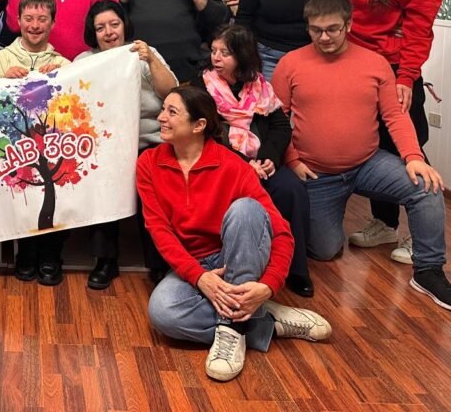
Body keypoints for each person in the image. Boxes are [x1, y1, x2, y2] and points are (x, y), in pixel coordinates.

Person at [272, 0, 451, 313]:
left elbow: (394, 115)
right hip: (317, 172)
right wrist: (291, 160)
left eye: (332, 29)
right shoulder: (290, 64)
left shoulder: (375, 63)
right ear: (307, 27)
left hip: (367, 164)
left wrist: (414, 158)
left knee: (427, 187)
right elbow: (275, 120)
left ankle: (429, 271)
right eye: (316, 30)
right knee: (325, 251)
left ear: (348, 25)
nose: (324, 37)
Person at [139, 86, 330, 383]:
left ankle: (233, 330)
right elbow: (159, 230)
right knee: (163, 314)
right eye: (163, 109)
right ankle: (264, 319)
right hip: (195, 265)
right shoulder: (148, 163)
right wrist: (200, 277)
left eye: (171, 112)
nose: (161, 117)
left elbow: (282, 233)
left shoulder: (233, 165)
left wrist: (268, 285)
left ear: (199, 125)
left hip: (237, 255)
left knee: (246, 210)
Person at [341, 0, 445, 265]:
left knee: (408, 147)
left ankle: (422, 236)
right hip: (355, 70)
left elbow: (418, 34)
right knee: (373, 146)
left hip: (396, 72)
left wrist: (406, 77)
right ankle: (384, 224)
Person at [198, 24, 313, 298]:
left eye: (225, 53)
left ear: (242, 55)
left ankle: (296, 269)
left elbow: (281, 127)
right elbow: (206, 136)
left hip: (261, 161)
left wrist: (269, 158)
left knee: (291, 190)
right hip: (224, 163)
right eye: (214, 51)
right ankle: (238, 267)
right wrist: (243, 164)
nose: (216, 58)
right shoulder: (204, 86)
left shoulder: (260, 85)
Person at [75, 1, 177, 290]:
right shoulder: (84, 60)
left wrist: (151, 60)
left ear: (124, 25)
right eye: (100, 27)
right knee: (101, 180)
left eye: (114, 24)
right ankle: (105, 260)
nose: (109, 32)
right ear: (93, 33)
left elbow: (171, 91)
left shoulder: (143, 52)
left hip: (147, 141)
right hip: (104, 146)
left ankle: (158, 262)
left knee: (153, 183)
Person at [0, 0, 70, 284]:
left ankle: (51, 255)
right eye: (29, 18)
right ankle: (25, 253)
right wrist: (3, 81)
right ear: (18, 20)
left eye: (42, 19)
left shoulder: (65, 62)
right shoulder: (0, 59)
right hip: (15, 145)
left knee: (57, 194)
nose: (35, 25)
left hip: (53, 144)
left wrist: (62, 79)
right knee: (21, 194)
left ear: (52, 23)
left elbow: (71, 107)